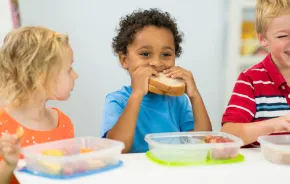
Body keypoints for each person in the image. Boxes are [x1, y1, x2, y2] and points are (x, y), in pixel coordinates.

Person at [101, 8, 212, 153]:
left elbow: (203, 141)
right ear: (124, 60)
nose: (157, 63)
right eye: (145, 54)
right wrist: (137, 94)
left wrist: (194, 96)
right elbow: (117, 149)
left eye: (166, 54)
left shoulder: (178, 100)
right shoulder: (117, 100)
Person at [0, 26, 78, 184]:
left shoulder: (63, 123)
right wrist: (8, 165)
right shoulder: (2, 125)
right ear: (40, 76)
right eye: (69, 69)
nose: (75, 75)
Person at [221, 0, 290, 148]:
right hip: (262, 168)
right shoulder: (250, 80)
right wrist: (274, 125)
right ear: (263, 39)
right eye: (283, 36)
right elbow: (228, 134)